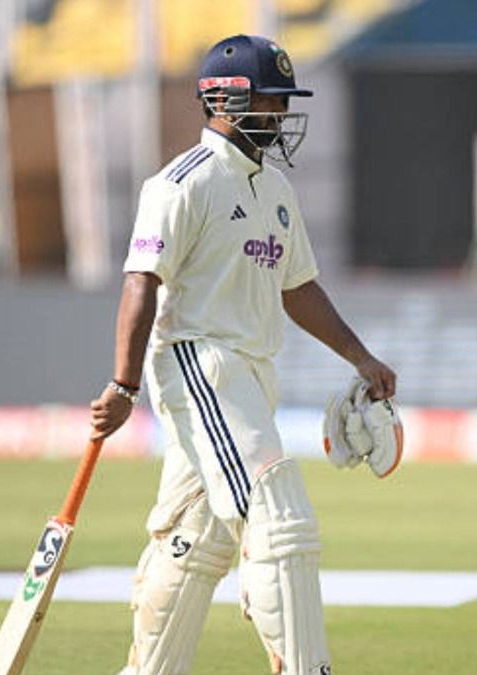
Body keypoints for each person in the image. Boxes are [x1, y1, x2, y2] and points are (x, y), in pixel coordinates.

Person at [90, 34, 396, 675]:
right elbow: (140, 281)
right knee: (279, 513)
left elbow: (298, 287)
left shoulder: (275, 189)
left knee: (194, 538)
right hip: (201, 363)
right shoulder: (180, 184)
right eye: (272, 100)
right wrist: (123, 388)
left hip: (251, 373)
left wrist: (359, 358)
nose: (282, 115)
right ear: (224, 98)